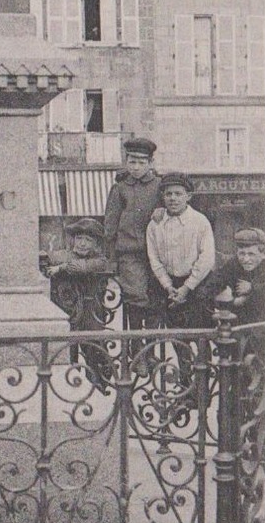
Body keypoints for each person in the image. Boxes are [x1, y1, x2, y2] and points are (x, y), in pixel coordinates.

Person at [146, 172, 216, 391]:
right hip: (169, 287)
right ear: (163, 197)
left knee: (200, 338)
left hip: (197, 285)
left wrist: (187, 288)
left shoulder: (199, 221)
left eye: (178, 194)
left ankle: (203, 385)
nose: (173, 198)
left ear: (189, 196)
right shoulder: (155, 224)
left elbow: (206, 259)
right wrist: (169, 287)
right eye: (168, 194)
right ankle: (187, 386)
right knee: (179, 340)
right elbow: (154, 258)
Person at [40, 218, 115, 394]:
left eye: (88, 240)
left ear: (96, 243)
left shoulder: (99, 260)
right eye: (79, 238)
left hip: (91, 316)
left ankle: (99, 388)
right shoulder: (61, 255)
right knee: (67, 354)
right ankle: (71, 390)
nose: (82, 243)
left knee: (95, 353)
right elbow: (47, 258)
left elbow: (80, 267)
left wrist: (61, 268)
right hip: (67, 313)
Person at [103, 138, 161, 331]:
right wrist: (111, 257)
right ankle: (137, 353)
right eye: (132, 162)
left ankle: (151, 349)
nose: (136, 167)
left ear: (150, 163)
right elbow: (110, 224)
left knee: (155, 297)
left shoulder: (160, 186)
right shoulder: (120, 188)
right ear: (126, 162)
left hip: (157, 253)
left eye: (141, 162)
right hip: (129, 253)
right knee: (135, 295)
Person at [203, 227, 265, 326]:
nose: (246, 259)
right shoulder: (233, 264)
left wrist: (253, 288)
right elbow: (211, 286)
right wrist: (228, 300)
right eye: (241, 253)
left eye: (251, 254)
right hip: (237, 321)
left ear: (264, 254)